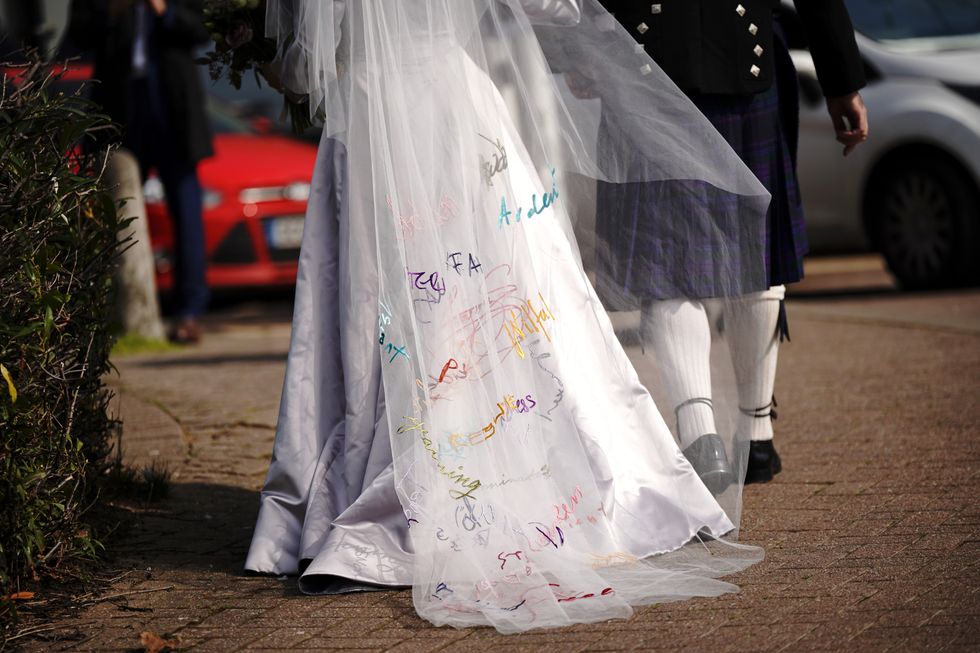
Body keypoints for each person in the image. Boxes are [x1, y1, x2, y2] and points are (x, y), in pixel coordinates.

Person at [247, 0, 773, 632]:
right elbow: (553, 7)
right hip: (455, 107)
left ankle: (380, 472)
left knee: (378, 299)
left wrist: (262, 47)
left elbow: (304, 69)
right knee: (507, 287)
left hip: (371, 115)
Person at [595, 0, 868, 486]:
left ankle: (701, 438)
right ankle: (757, 436)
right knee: (755, 251)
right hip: (743, 58)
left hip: (645, 62)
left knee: (669, 260)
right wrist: (841, 80)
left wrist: (584, 52)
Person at [69, 0, 213, 343]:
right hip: (119, 109)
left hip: (171, 107)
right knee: (116, 213)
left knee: (187, 213)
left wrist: (164, 11)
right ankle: (116, 310)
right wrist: (112, 12)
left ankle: (189, 312)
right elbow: (78, 35)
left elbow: (203, 30)